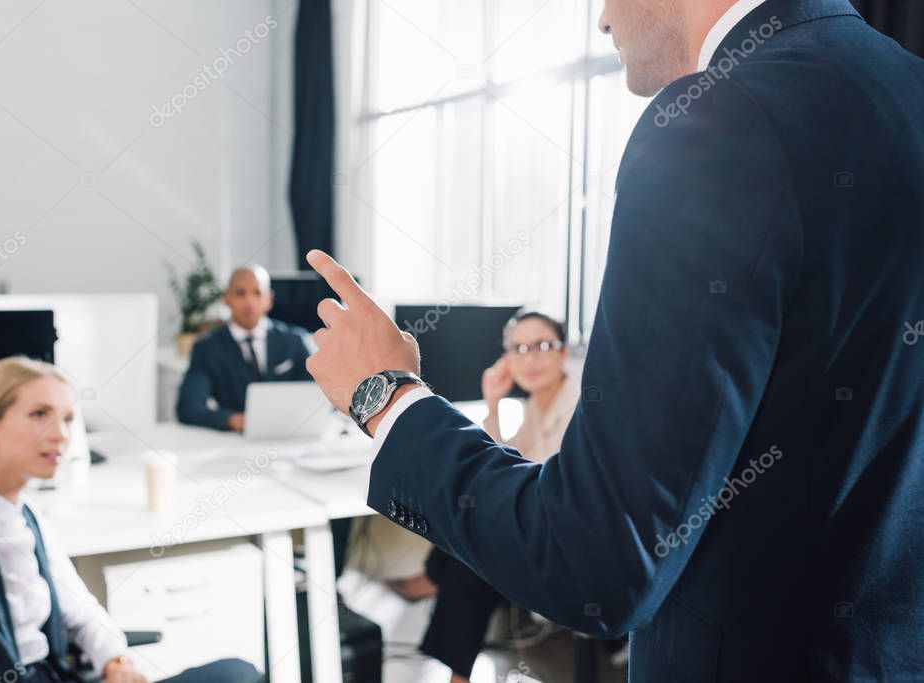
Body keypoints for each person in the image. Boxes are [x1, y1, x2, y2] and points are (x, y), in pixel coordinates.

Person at [299, 0, 924, 679]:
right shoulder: (905, 86)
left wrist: (385, 394)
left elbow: (595, 563)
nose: (600, 20)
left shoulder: (720, 119)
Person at [0, 356, 261, 683]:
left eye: (68, 419)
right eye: (40, 415)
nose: (61, 435)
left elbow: (82, 612)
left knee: (238, 674)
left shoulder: (28, 517)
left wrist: (116, 661)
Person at [389, 310, 580, 683]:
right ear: (505, 358)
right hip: (541, 519)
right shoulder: (536, 402)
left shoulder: (577, 402)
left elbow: (522, 478)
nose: (529, 358)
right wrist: (492, 403)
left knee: (472, 560)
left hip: (566, 537)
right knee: (465, 518)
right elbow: (504, 463)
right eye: (518, 348)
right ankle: (433, 584)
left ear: (563, 353)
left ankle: (454, 665)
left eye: (541, 345)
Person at [176, 264, 313, 432]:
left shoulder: (295, 341)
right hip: (236, 439)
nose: (249, 301)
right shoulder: (206, 348)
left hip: (292, 433)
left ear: (269, 299)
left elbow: (317, 397)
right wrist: (233, 420)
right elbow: (189, 408)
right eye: (240, 293)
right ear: (226, 299)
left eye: (257, 293)